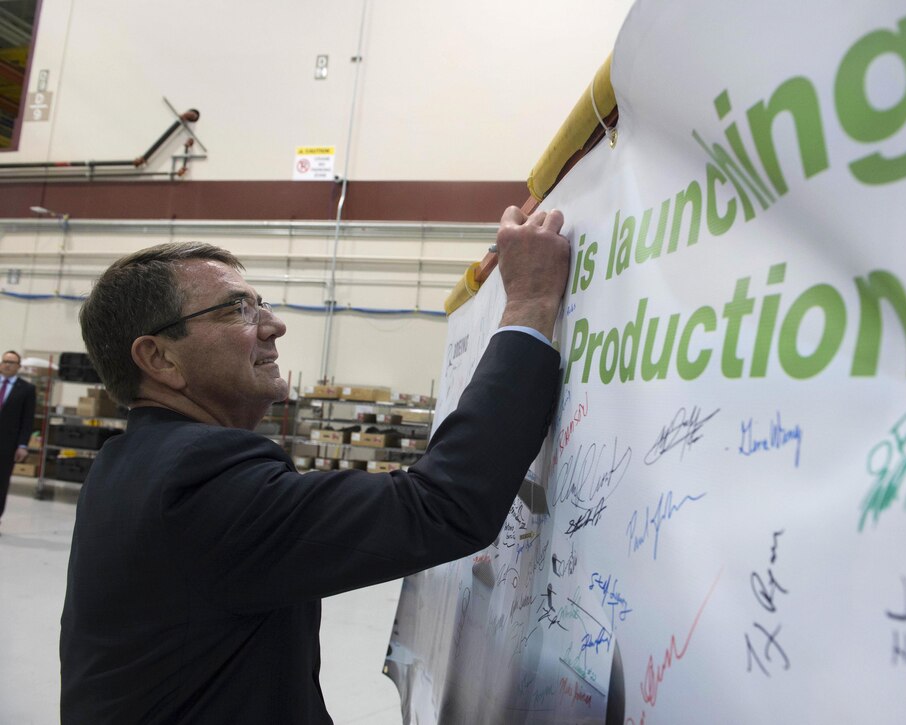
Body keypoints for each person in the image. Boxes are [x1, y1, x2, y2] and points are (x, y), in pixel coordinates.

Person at [59, 206, 570, 724]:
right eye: (236, 309)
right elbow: (440, 505)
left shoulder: (129, 464)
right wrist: (529, 304)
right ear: (159, 359)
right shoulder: (196, 479)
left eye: (261, 304)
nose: (273, 325)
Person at [0, 350, 36, 532]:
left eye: (11, 362)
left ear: (18, 367)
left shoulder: (27, 389)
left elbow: (27, 419)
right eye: (5, 361)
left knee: (1, 482)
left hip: (7, 444)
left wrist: (23, 445)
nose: (7, 364)